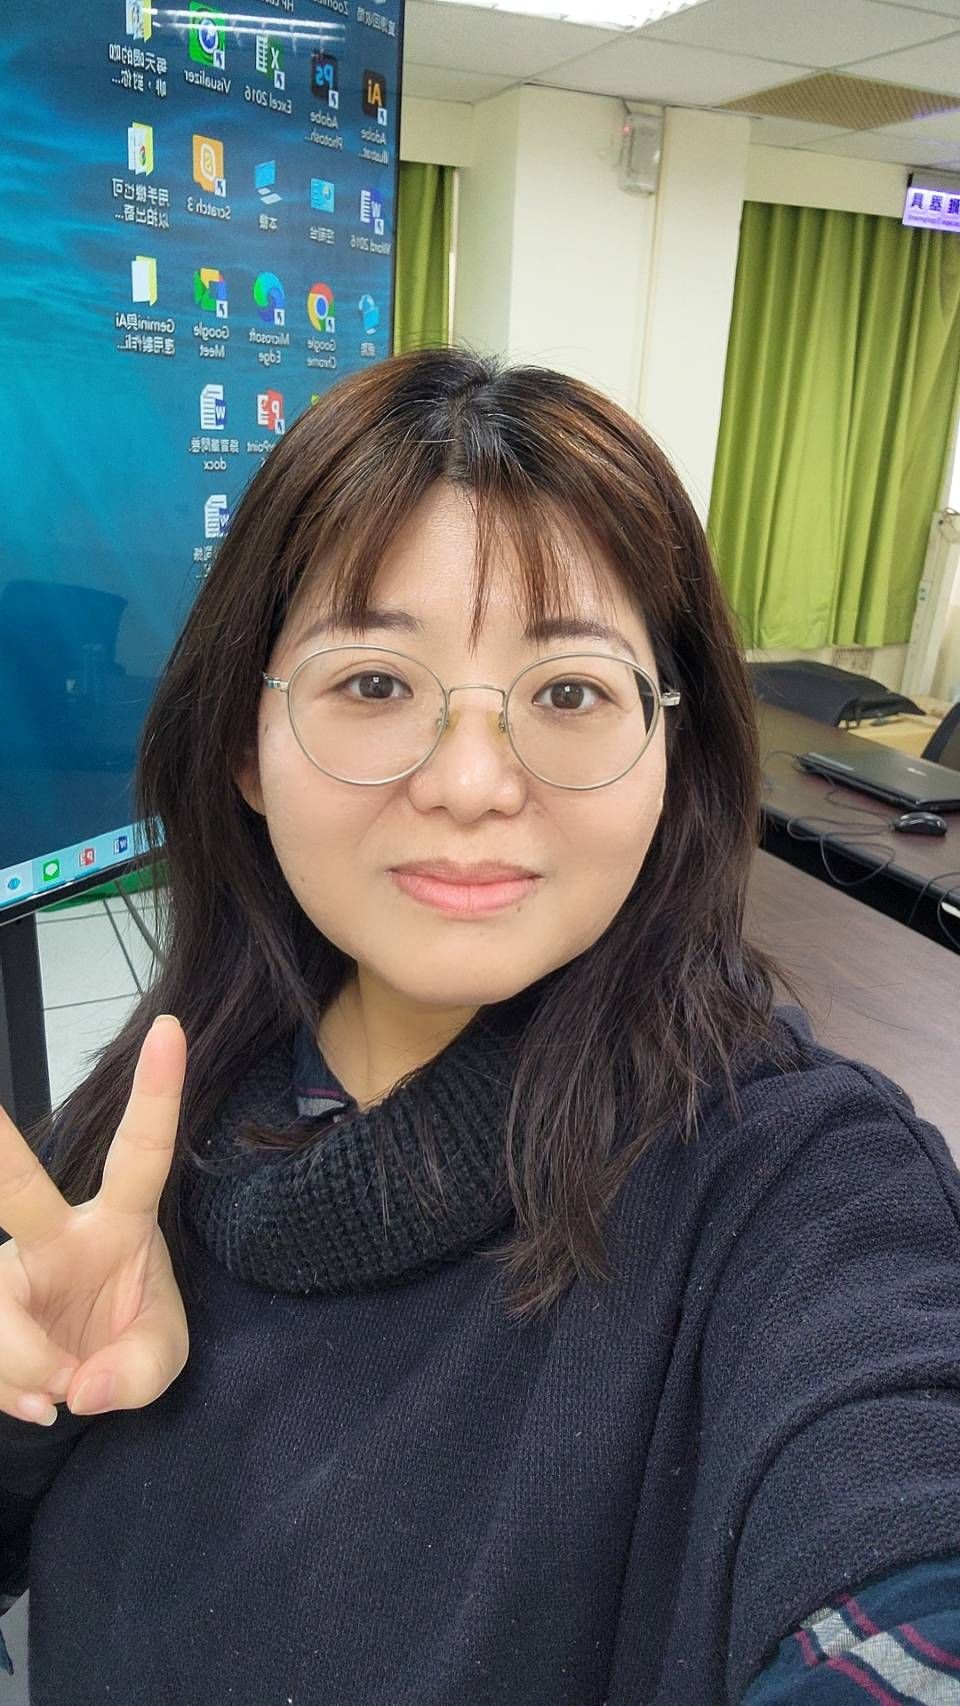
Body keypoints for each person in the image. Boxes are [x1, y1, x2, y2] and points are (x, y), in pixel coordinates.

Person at [1, 345, 959, 1704]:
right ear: (243, 748)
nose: (469, 782)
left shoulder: (797, 1185)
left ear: (672, 750)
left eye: (568, 693)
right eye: (373, 683)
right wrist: (24, 1413)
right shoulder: (156, 1114)